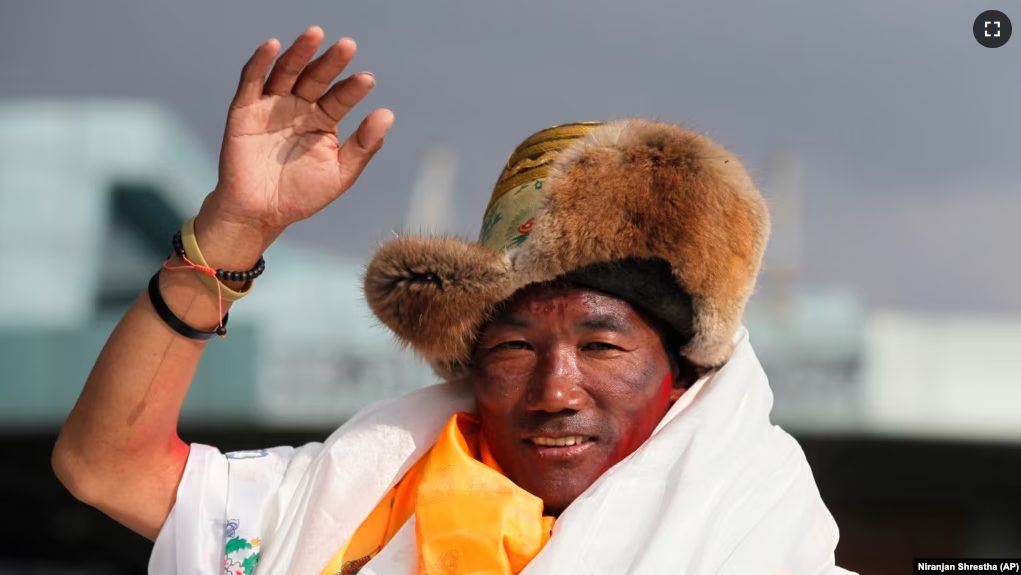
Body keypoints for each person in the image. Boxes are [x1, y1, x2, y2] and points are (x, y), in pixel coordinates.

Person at [52, 26, 854, 575]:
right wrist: (231, 230)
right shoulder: (355, 504)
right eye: (512, 346)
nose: (554, 390)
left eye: (603, 345)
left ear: (678, 369)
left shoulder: (764, 542)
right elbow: (104, 467)